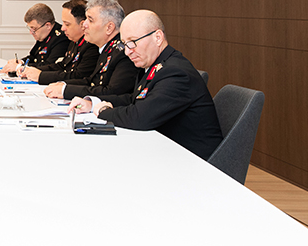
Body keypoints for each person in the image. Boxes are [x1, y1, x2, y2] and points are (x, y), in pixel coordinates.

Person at [67, 10, 224, 160]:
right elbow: (134, 100)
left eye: (132, 42)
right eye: (125, 44)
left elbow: (140, 117)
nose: (127, 51)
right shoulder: (155, 65)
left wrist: (103, 111)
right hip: (166, 149)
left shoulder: (176, 73)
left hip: (193, 161)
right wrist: (92, 104)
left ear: (157, 37)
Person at [43, 0, 137, 99]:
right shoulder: (107, 48)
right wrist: (63, 85)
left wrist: (65, 91)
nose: (84, 24)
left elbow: (112, 92)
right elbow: (92, 81)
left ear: (109, 28)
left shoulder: (123, 52)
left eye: (90, 20)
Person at [20, 0, 99, 84]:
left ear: (83, 25)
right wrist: (34, 71)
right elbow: (63, 65)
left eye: (67, 24)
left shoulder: (92, 45)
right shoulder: (74, 41)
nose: (62, 28)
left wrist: (41, 76)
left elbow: (78, 75)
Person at [0, 3, 70, 74]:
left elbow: (49, 66)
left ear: (48, 26)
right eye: (30, 28)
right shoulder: (44, 35)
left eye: (34, 29)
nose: (31, 32)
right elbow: (33, 57)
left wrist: (19, 67)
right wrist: (21, 62)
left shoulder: (62, 38)